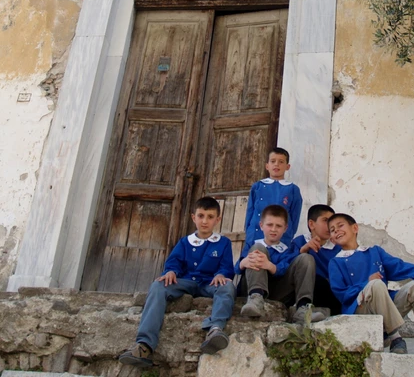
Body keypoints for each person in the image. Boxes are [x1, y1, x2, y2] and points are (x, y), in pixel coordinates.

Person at [118, 197, 236, 369]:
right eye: (201, 216)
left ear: (217, 220)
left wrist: (221, 274)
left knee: (228, 286)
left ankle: (215, 329)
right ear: (193, 217)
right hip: (186, 282)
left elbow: (227, 266)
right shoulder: (185, 242)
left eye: (210, 217)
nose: (205, 221)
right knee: (158, 286)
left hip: (209, 283)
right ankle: (144, 345)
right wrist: (171, 271)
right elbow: (174, 262)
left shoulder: (223, 243)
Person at [327, 213, 414, 357]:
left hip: (386, 306)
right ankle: (395, 339)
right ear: (332, 239)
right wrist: (366, 283)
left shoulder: (374, 252)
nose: (337, 231)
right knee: (376, 284)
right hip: (361, 310)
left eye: (340, 226)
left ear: (355, 228)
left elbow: (399, 266)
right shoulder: (335, 262)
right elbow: (341, 293)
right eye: (332, 230)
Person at [236, 204, 326, 324]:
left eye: (278, 226)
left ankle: (303, 309)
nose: (273, 229)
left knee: (306, 258)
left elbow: (286, 268)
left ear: (285, 228)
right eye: (270, 225)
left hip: (278, 291)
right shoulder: (252, 244)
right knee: (258, 249)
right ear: (261, 225)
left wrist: (270, 266)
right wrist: (243, 263)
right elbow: (236, 269)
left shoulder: (288, 249)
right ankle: (256, 298)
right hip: (250, 288)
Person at [244, 147, 302, 248]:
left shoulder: (292, 189)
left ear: (287, 166)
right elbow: (250, 211)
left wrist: (288, 233)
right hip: (255, 235)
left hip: (281, 237)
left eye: (281, 162)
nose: (276, 164)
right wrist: (249, 231)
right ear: (267, 166)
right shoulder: (257, 186)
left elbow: (294, 216)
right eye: (273, 161)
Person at [292, 204, 342, 315]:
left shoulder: (337, 248)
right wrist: (303, 250)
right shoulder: (299, 242)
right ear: (311, 224)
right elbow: (289, 267)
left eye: (332, 221)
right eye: (325, 220)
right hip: (305, 290)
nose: (330, 226)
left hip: (329, 292)